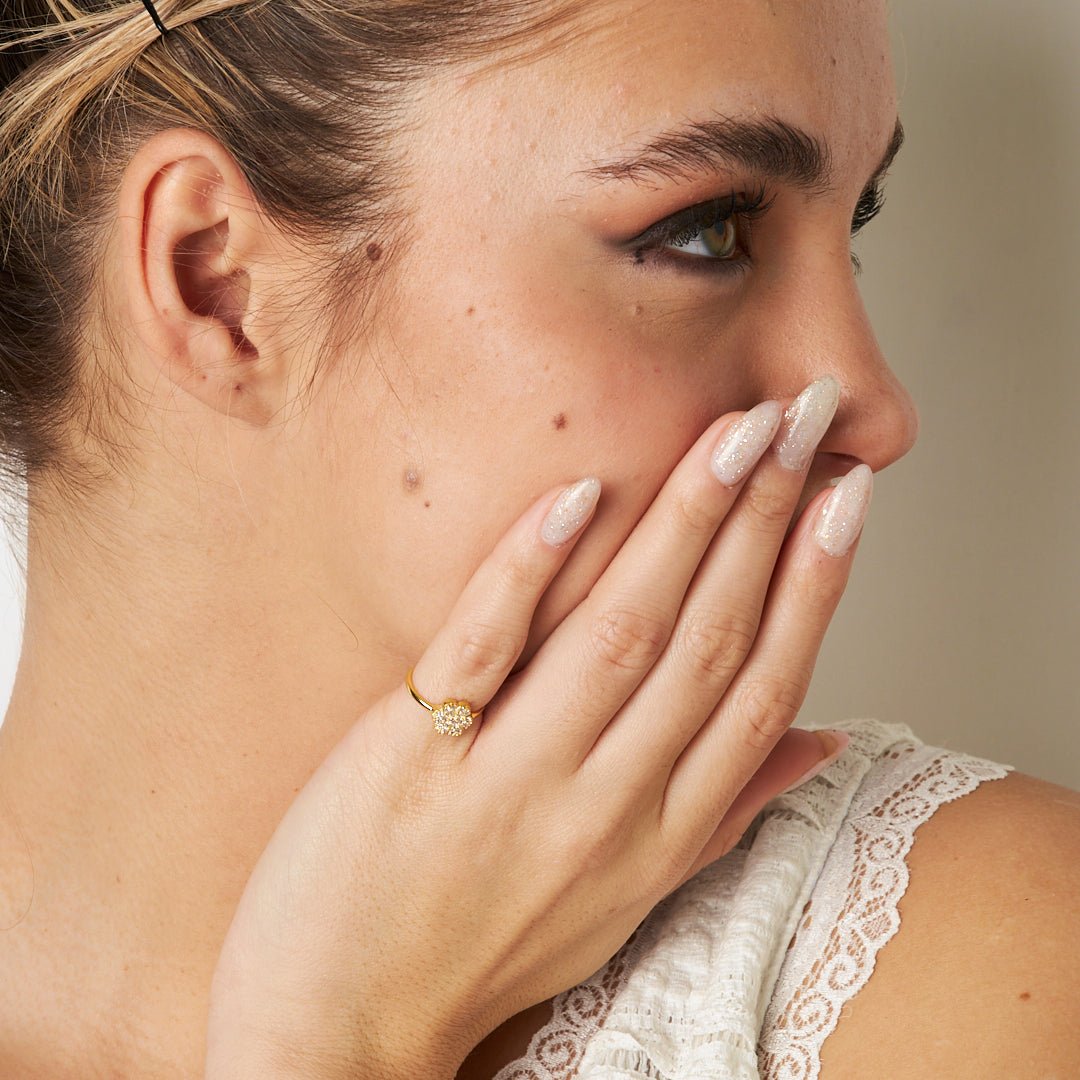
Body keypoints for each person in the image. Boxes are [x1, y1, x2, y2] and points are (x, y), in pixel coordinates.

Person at [0, 0, 1077, 1077]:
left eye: (856, 231)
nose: (881, 412)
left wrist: (340, 1043)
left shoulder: (980, 959)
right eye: (707, 232)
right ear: (215, 282)